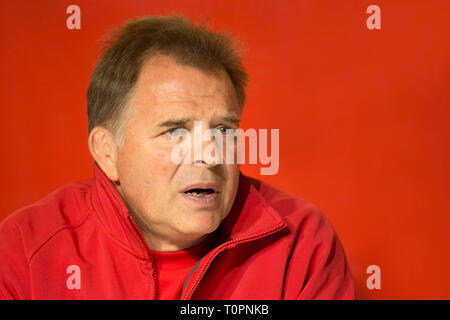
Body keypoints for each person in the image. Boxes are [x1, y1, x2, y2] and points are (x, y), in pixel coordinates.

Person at [0, 15, 354, 299]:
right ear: (107, 152)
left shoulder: (300, 242)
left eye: (224, 130)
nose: (209, 154)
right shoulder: (22, 251)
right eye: (175, 131)